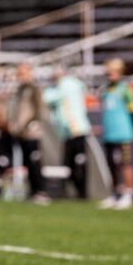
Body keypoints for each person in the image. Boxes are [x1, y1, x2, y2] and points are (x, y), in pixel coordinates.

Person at [44, 66, 92, 199]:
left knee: (73, 164)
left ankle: (81, 193)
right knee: (73, 163)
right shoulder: (73, 84)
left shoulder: (65, 85)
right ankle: (80, 192)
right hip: (71, 130)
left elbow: (48, 98)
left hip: (74, 129)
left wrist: (48, 90)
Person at [98, 59, 133, 210]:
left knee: (126, 163)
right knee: (111, 165)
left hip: (124, 133)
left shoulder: (126, 90)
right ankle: (114, 193)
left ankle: (128, 194)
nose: (110, 76)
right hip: (109, 134)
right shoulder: (105, 90)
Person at [6, 63, 49, 204]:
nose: (20, 76)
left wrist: (29, 123)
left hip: (32, 132)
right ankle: (32, 190)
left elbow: (38, 109)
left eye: (22, 73)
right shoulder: (19, 90)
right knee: (27, 163)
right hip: (21, 133)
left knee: (34, 161)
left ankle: (40, 191)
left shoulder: (34, 89)